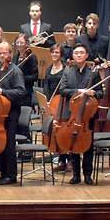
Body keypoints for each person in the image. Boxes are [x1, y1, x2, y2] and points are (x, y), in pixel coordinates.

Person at [57, 44, 102, 185]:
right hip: (72, 113)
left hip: (88, 115)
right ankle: (76, 175)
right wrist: (79, 91)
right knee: (72, 144)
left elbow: (101, 92)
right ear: (73, 56)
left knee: (88, 146)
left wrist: (94, 92)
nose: (79, 55)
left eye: (82, 53)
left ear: (87, 55)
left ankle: (87, 174)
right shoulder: (68, 71)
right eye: (76, 53)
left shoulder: (93, 72)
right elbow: (63, 90)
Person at [0, 41, 26, 186]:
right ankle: (2, 172)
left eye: (5, 53)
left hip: (11, 112)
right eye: (0, 53)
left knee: (8, 145)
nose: (2, 55)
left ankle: (11, 175)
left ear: (10, 54)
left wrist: (4, 92)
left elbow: (21, 92)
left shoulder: (15, 71)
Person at [43, 44, 69, 172]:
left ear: (61, 54)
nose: (54, 54)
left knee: (63, 131)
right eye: (52, 52)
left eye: (57, 52)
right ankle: (61, 161)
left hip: (63, 102)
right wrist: (47, 100)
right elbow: (46, 87)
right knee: (55, 131)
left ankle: (69, 161)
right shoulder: (48, 69)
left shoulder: (66, 69)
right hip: (52, 103)